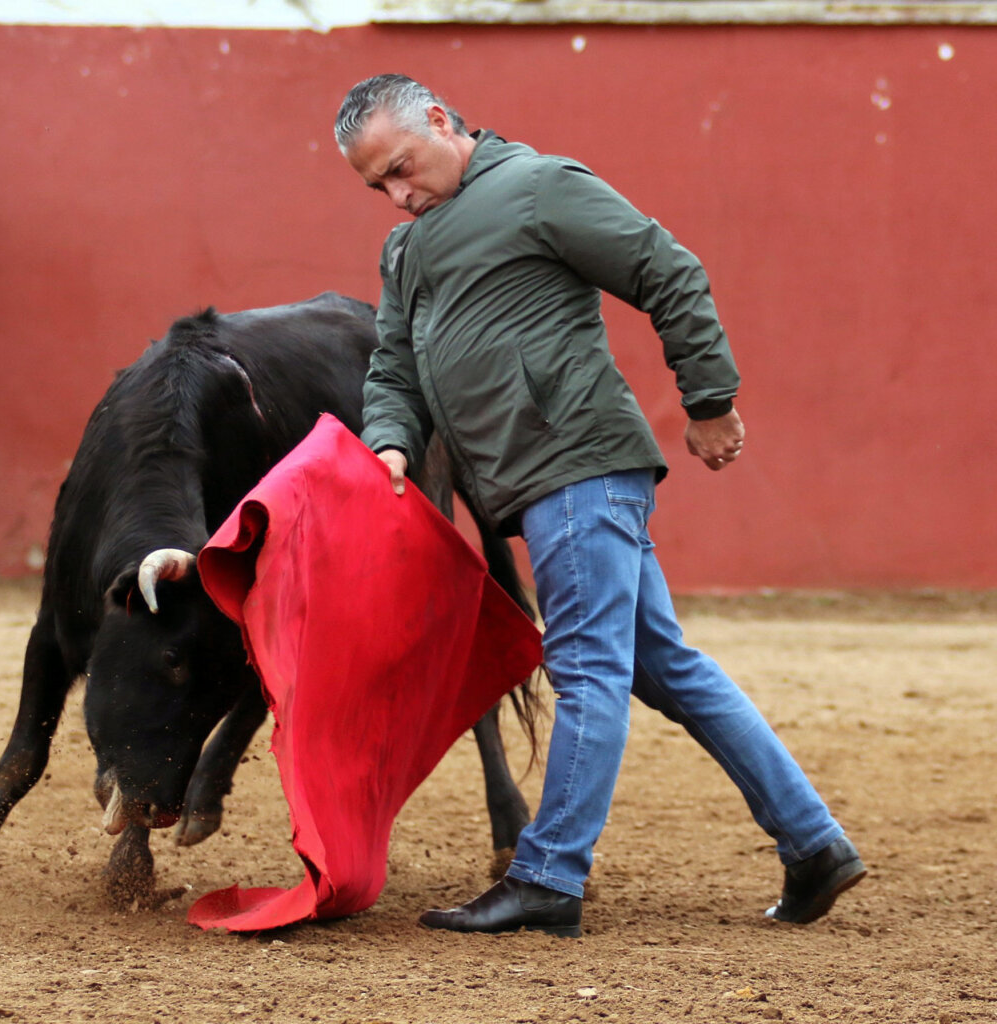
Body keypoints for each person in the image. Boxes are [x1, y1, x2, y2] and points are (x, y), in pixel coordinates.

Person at [334, 74, 866, 938]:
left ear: (440, 120)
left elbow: (667, 268)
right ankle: (814, 843)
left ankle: (547, 876)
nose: (398, 194)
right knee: (661, 665)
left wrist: (709, 399)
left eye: (402, 168)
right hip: (538, 479)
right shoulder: (405, 252)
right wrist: (390, 439)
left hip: (574, 466)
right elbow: (391, 366)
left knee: (584, 668)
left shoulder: (540, 186)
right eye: (378, 186)